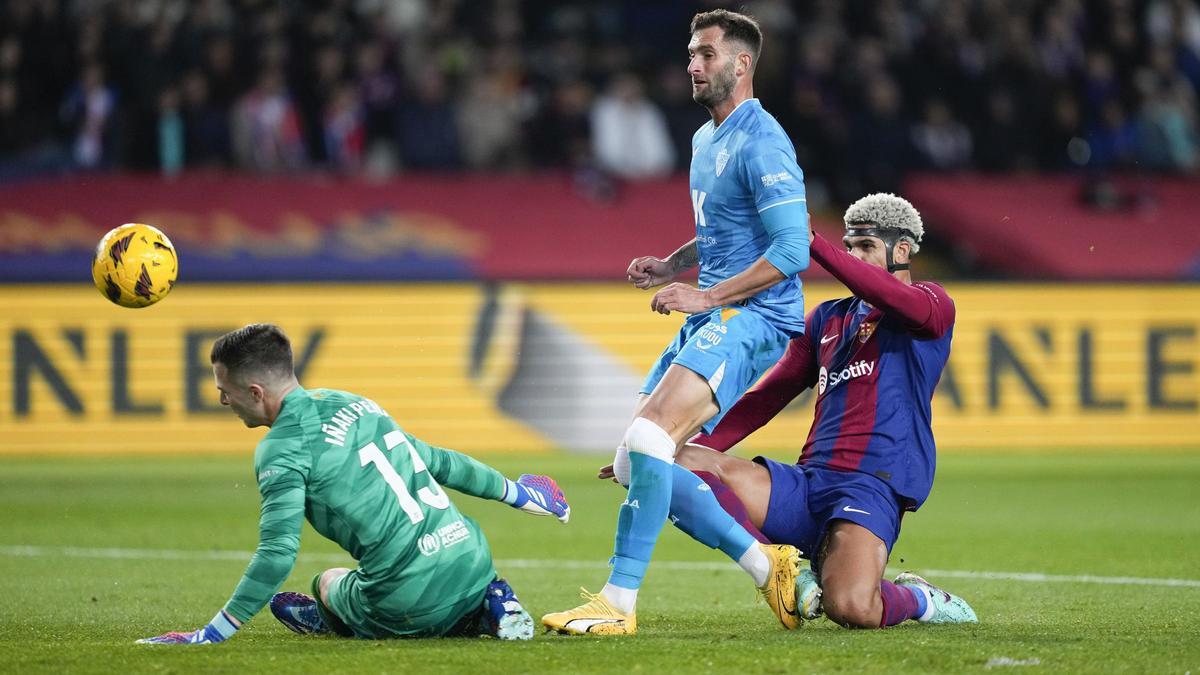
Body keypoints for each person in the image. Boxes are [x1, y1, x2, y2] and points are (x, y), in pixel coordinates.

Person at [542, 9, 811, 636]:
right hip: (719, 311)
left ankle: (618, 602)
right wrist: (673, 265)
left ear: (741, 64)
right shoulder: (705, 139)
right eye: (691, 54)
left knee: (649, 442)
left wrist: (707, 296)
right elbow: (722, 230)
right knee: (640, 462)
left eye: (708, 54)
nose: (693, 65)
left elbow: (793, 250)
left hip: (753, 315)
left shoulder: (764, 139)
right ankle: (767, 564)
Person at [137, 323, 570, 645]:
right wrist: (518, 493)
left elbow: (277, 554)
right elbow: (439, 461)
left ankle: (336, 618)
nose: (221, 401)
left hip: (406, 604)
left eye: (224, 390)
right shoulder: (353, 401)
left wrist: (210, 635)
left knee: (326, 581)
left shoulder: (282, 449)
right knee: (445, 561)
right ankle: (495, 600)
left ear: (255, 392)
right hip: (472, 561)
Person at [677, 193, 978, 628]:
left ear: (902, 250)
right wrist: (655, 450)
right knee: (678, 462)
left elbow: (895, 298)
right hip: (808, 482)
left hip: (869, 486)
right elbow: (765, 399)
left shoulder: (931, 304)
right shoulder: (828, 318)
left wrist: (813, 244)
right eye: (851, 246)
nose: (855, 256)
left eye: (867, 247)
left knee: (852, 608)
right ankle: (781, 567)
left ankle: (918, 599)